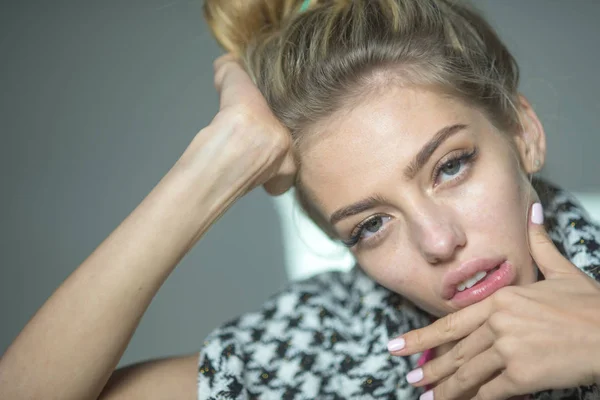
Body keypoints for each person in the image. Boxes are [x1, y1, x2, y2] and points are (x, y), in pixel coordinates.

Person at [1, 0, 599, 399]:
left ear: (524, 132)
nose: (439, 242)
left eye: (451, 166)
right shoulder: (326, 348)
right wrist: (210, 171)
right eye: (370, 225)